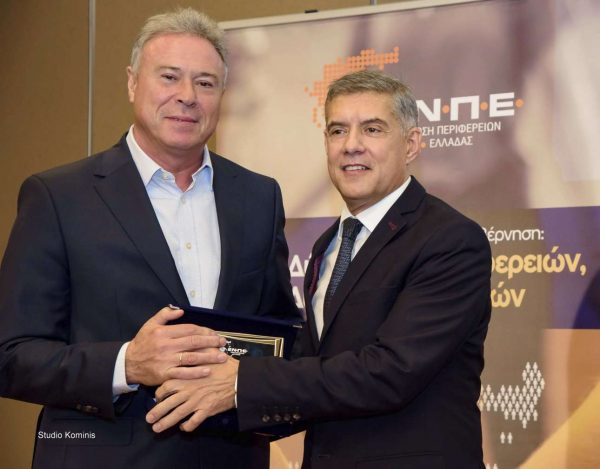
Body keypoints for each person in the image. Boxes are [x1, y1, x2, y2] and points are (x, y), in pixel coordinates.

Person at [0, 7, 300, 469]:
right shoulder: (58, 196)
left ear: (222, 95)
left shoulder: (259, 197)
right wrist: (126, 364)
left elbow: (280, 333)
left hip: (228, 458)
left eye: (205, 83)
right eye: (169, 77)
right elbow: (11, 355)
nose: (187, 96)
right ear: (132, 83)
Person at [147, 70, 493, 468]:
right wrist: (208, 366)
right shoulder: (329, 245)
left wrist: (242, 383)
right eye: (337, 131)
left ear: (411, 144)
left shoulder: (449, 239)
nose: (352, 145)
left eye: (372, 129)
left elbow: (391, 372)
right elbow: (314, 363)